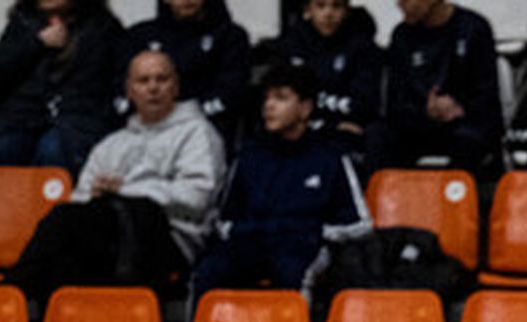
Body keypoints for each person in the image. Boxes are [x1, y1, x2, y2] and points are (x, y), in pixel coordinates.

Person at [10, 46, 223, 305]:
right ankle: (16, 308)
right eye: (143, 81)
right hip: (108, 239)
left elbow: (197, 197)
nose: (153, 88)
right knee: (64, 227)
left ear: (176, 87)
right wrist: (100, 196)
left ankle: (9, 296)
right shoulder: (112, 143)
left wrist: (125, 190)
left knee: (136, 211)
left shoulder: (198, 133)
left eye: (162, 79)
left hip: (170, 242)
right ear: (130, 90)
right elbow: (80, 198)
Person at [189, 57, 369, 306]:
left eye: (281, 98)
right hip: (251, 243)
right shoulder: (249, 156)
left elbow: (359, 224)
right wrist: (254, 231)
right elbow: (225, 219)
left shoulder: (330, 158)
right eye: (267, 98)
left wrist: (312, 232)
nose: (269, 106)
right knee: (209, 272)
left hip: (303, 246)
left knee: (294, 271)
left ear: (305, 108)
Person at [0, 0, 122, 174]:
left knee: (53, 149)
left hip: (76, 124)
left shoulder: (102, 27)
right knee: (4, 148)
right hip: (21, 119)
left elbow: (100, 92)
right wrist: (36, 43)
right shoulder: (23, 22)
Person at [384, 0, 501, 175]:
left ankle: (454, 200)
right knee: (379, 136)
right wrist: (425, 110)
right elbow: (395, 102)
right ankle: (381, 200)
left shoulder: (473, 28)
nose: (399, 3)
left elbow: (488, 96)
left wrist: (458, 108)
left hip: (464, 123)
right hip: (419, 124)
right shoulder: (401, 35)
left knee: (469, 140)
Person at [120, 0, 249, 145]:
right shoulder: (138, 36)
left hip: (205, 134)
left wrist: (181, 116)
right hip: (144, 132)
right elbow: (122, 93)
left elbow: (230, 93)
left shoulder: (228, 36)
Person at [270, 0, 383, 161]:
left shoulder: (362, 48)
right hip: (299, 130)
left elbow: (363, 105)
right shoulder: (290, 46)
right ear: (308, 9)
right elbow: (280, 100)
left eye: (336, 6)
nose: (328, 14)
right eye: (321, 5)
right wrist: (327, 123)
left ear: (346, 11)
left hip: (340, 136)